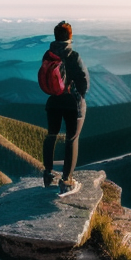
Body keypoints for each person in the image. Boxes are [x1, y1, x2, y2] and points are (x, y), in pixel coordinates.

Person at [42, 21, 89, 194]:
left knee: (51, 135)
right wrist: (80, 97)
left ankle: (47, 173)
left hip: (53, 102)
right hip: (71, 104)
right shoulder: (73, 55)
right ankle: (66, 180)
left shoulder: (48, 55)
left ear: (55, 36)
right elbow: (84, 81)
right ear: (70, 36)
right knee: (72, 139)